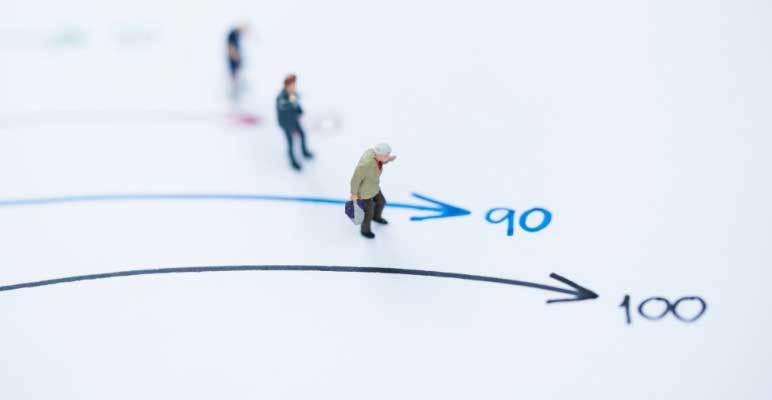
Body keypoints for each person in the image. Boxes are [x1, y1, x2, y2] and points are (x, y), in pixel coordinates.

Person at [350, 143, 397, 239]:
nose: (387, 157)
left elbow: (379, 163)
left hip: (373, 186)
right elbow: (355, 180)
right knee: (368, 212)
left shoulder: (377, 157)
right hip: (364, 192)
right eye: (386, 155)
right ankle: (365, 230)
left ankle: (376, 217)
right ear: (379, 154)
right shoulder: (365, 165)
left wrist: (388, 159)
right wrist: (354, 194)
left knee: (381, 201)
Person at [276, 74, 313, 170]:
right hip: (286, 123)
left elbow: (296, 104)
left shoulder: (292, 94)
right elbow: (283, 105)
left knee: (302, 134)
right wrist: (292, 101)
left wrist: (299, 110)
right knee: (290, 142)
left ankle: (304, 152)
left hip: (294, 120)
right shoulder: (281, 97)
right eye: (292, 85)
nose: (293, 87)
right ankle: (292, 161)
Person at [226, 24, 248, 92]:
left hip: (235, 58)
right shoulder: (232, 35)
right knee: (234, 75)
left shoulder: (236, 36)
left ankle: (236, 88)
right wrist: (237, 58)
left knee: (237, 75)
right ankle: (234, 89)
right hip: (233, 59)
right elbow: (231, 48)